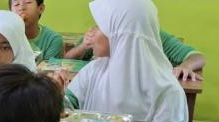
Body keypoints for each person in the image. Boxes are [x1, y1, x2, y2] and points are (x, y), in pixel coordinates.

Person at [66, 0, 188, 122]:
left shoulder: (167, 93)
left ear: (119, 33)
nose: (92, 32)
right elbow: (66, 105)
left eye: (99, 26)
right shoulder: (93, 70)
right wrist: (55, 96)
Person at [65, 28, 206, 82]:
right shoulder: (100, 33)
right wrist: (84, 45)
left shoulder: (152, 35)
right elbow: (66, 62)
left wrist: (186, 65)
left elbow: (198, 56)